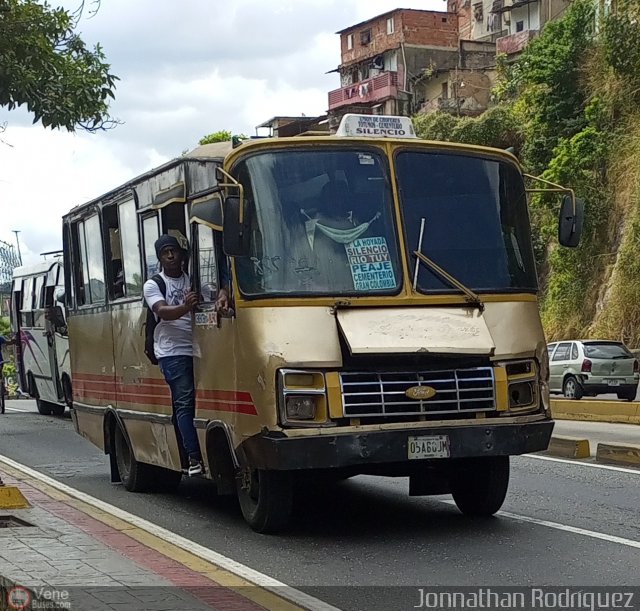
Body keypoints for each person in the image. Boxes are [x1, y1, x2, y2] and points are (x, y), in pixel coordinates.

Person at [143, 234, 229, 477]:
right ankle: (193, 457)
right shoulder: (154, 284)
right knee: (184, 401)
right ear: (160, 258)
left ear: (182, 254)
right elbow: (162, 311)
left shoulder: (193, 280)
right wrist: (186, 307)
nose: (170, 256)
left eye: (174, 251)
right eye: (165, 252)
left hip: (199, 348)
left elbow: (215, 292)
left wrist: (222, 294)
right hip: (172, 352)